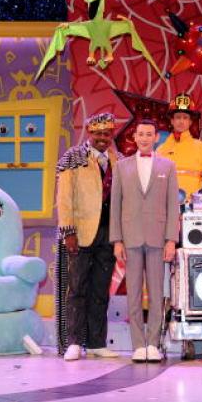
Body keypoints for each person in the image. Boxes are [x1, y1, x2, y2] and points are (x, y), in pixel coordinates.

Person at [110, 119, 179, 363]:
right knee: (134, 294)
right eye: (141, 134)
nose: (145, 138)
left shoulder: (168, 166)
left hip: (158, 238)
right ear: (134, 137)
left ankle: (154, 343)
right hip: (130, 237)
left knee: (157, 292)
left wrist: (171, 239)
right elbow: (115, 206)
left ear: (156, 137)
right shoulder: (121, 166)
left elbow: (173, 205)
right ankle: (138, 345)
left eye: (150, 134)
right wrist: (116, 239)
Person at [56, 113, 121, 361]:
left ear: (111, 135)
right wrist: (68, 231)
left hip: (108, 233)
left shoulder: (118, 160)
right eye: (98, 134)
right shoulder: (72, 157)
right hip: (80, 232)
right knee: (77, 287)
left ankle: (96, 343)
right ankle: (74, 342)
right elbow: (64, 199)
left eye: (107, 134)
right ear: (89, 133)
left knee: (100, 290)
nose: (102, 139)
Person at [156, 93, 202, 198]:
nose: (181, 121)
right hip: (165, 207)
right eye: (178, 117)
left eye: (185, 118)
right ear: (172, 121)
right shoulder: (160, 150)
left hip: (192, 208)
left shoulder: (201, 148)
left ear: (190, 122)